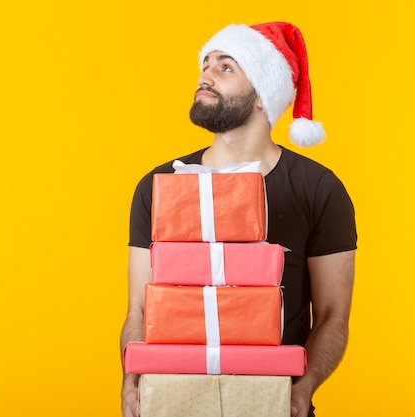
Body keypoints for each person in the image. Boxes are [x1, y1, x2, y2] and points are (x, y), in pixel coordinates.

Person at [120, 22, 357, 417]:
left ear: (264, 96)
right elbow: (139, 310)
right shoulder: (159, 186)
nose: (205, 75)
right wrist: (131, 384)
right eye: (205, 64)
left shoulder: (319, 189)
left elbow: (333, 314)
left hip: (272, 402)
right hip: (172, 402)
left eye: (225, 67)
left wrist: (302, 390)